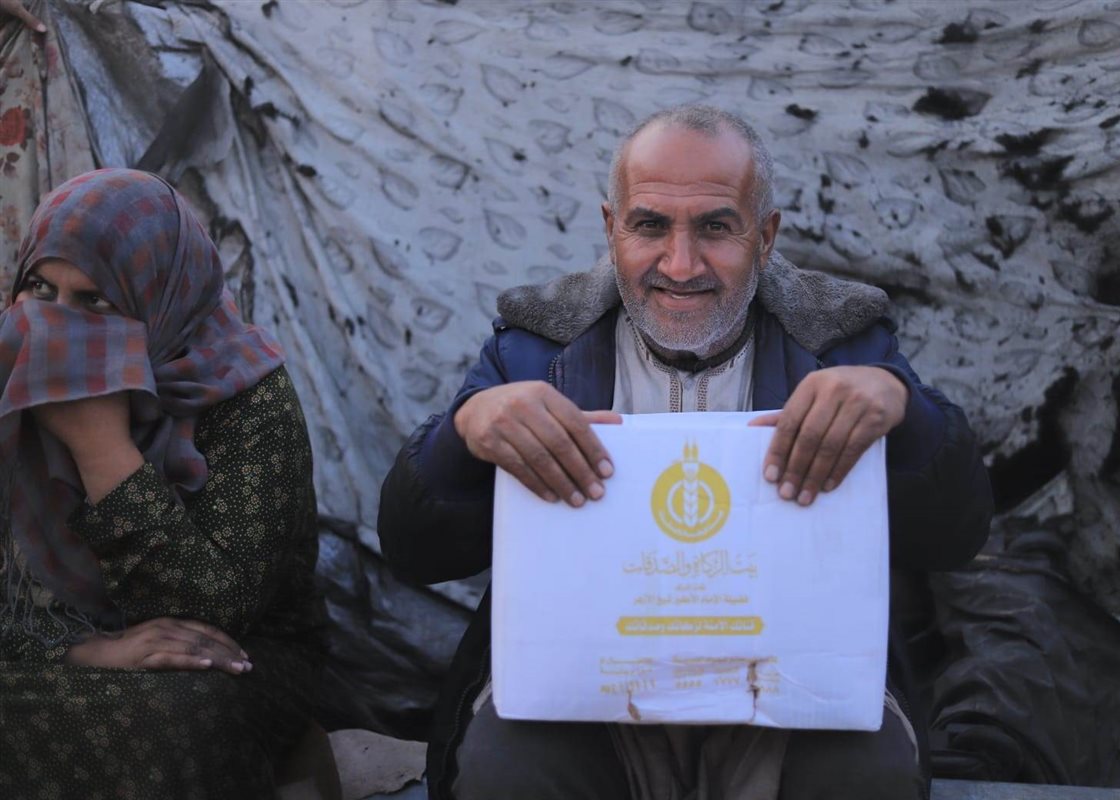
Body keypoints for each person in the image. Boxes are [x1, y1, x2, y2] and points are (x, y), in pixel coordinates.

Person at [379, 105, 992, 800]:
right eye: (649, 226)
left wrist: (902, 411)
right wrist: (466, 432)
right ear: (611, 228)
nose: (680, 264)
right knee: (506, 768)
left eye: (716, 228)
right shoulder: (536, 349)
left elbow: (957, 534)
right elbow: (413, 550)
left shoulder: (839, 342)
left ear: (765, 235)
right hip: (588, 694)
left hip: (788, 691)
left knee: (865, 771)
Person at [0, 168, 326, 798]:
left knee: (186, 720)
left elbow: (213, 615)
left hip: (229, 661)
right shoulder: (12, 372)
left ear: (161, 299)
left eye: (95, 303)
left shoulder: (245, 395)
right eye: (40, 290)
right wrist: (82, 650)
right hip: (52, 654)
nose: (55, 330)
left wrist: (100, 446)